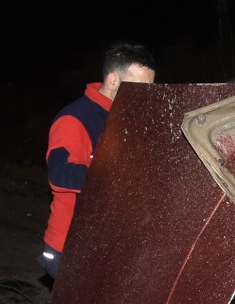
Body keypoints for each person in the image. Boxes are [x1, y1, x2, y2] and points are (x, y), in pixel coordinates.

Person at [39, 41, 156, 277]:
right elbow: (60, 174)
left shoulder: (129, 119)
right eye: (139, 88)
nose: (145, 97)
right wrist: (116, 178)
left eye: (149, 89)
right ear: (113, 80)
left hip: (106, 244)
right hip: (71, 247)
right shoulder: (75, 119)